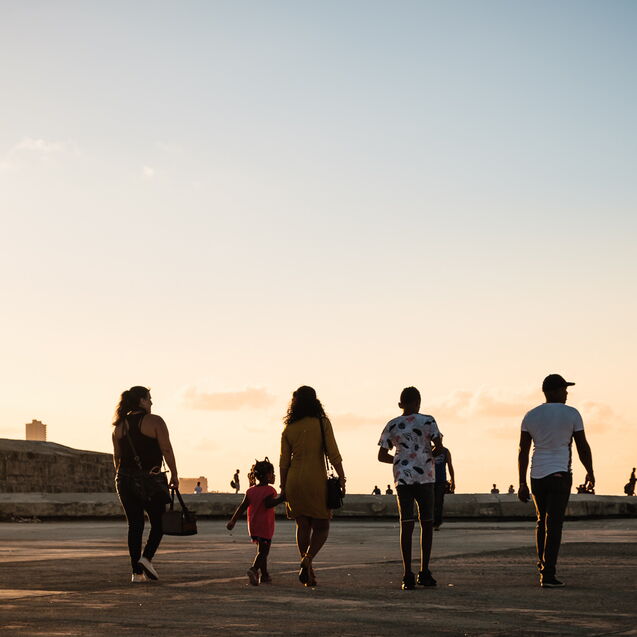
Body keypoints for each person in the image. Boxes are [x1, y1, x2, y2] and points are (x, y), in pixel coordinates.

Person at [518, 373, 595, 588]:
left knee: (541, 521)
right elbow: (582, 446)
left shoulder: (531, 415)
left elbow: (523, 451)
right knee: (554, 524)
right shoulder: (572, 413)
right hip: (560, 474)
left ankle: (542, 565)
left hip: (537, 475)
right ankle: (548, 573)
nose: (566, 393)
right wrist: (590, 471)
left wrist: (522, 482)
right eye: (563, 389)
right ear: (553, 392)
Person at [280, 386, 346, 587]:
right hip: (315, 480)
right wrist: (342, 477)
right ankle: (307, 560)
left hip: (294, 481)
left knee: (302, 526)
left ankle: (308, 572)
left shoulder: (289, 428)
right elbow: (333, 453)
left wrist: (283, 487)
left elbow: (284, 462)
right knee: (322, 526)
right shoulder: (322, 422)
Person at [111, 386, 179, 583]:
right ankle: (146, 558)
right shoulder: (155, 421)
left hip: (124, 480)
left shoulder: (119, 427)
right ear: (141, 401)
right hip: (149, 479)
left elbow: (117, 458)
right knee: (159, 523)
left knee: (135, 525)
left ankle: (136, 573)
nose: (151, 402)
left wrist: (126, 476)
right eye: (149, 398)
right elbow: (166, 449)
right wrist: (174, 474)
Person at [378, 386, 442, 590]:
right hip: (425, 478)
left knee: (406, 524)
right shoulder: (428, 420)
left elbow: (381, 455)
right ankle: (424, 571)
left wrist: (401, 461)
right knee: (427, 523)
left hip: (403, 479)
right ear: (418, 403)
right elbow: (439, 446)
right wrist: (427, 455)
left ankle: (407, 574)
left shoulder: (392, 424)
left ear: (401, 404)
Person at [227, 457, 285, 585]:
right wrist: (282, 498)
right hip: (265, 526)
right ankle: (253, 569)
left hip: (253, 526)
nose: (274, 476)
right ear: (267, 475)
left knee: (261, 550)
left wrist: (232, 521)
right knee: (264, 552)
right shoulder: (270, 490)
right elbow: (268, 504)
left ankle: (265, 575)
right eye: (272, 473)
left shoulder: (250, 491)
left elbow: (242, 507)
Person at [433, 434, 455, 530]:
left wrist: (452, 480)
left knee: (439, 502)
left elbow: (450, 466)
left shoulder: (445, 451)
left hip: (441, 480)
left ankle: (437, 523)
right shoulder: (430, 451)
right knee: (430, 502)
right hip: (429, 480)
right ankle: (431, 521)